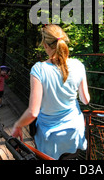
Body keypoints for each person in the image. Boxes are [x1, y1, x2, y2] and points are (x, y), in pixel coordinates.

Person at [11, 24, 90, 160]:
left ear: (45, 45)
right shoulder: (78, 65)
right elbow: (85, 100)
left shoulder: (39, 69)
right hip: (74, 133)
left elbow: (33, 112)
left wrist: (18, 125)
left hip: (50, 138)